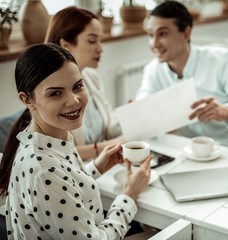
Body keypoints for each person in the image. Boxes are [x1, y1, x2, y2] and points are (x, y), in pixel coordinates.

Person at [0, 43, 152, 239]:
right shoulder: (42, 169)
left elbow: (63, 189)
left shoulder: (48, 140)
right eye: (56, 93)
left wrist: (97, 167)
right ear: (27, 100)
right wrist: (129, 196)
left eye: (77, 86)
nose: (73, 101)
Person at [135, 0, 228, 146]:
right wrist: (138, 114)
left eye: (162, 34)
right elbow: (143, 105)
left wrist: (225, 111)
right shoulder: (153, 71)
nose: (154, 43)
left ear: (186, 33)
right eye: (150, 35)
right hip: (192, 150)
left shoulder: (222, 60)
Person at [45, 6, 123, 160]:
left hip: (103, 164)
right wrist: (101, 149)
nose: (100, 48)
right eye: (92, 41)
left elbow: (107, 129)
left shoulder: (90, 77)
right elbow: (54, 153)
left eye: (100, 40)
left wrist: (133, 116)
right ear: (66, 45)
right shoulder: (48, 92)